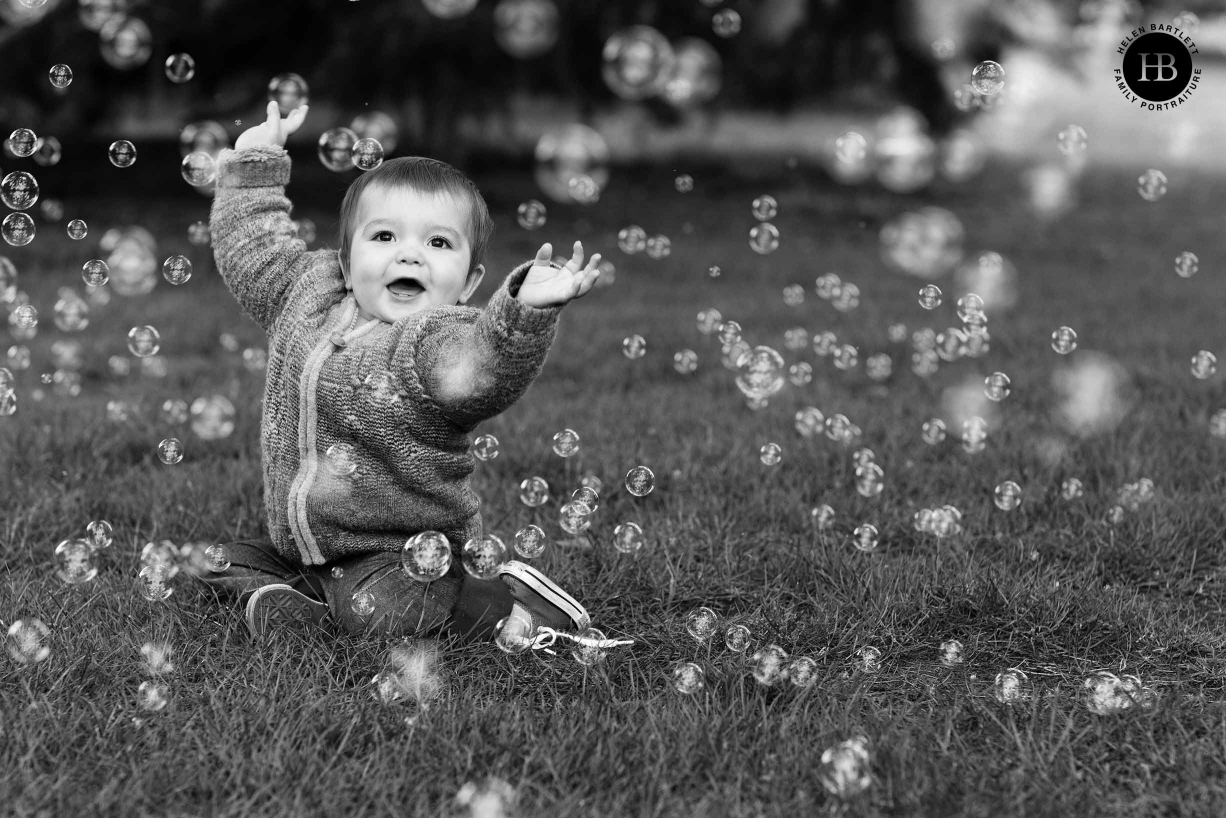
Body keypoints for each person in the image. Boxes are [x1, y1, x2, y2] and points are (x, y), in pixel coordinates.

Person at [200, 100, 601, 644]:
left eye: (438, 243)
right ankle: (304, 603)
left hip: (405, 554)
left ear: (468, 282)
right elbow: (256, 249)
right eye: (384, 237)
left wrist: (523, 314)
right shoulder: (306, 294)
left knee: (381, 611)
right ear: (345, 261)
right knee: (215, 561)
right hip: (309, 548)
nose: (409, 255)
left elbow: (482, 369)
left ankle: (500, 602)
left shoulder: (435, 342)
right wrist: (252, 168)